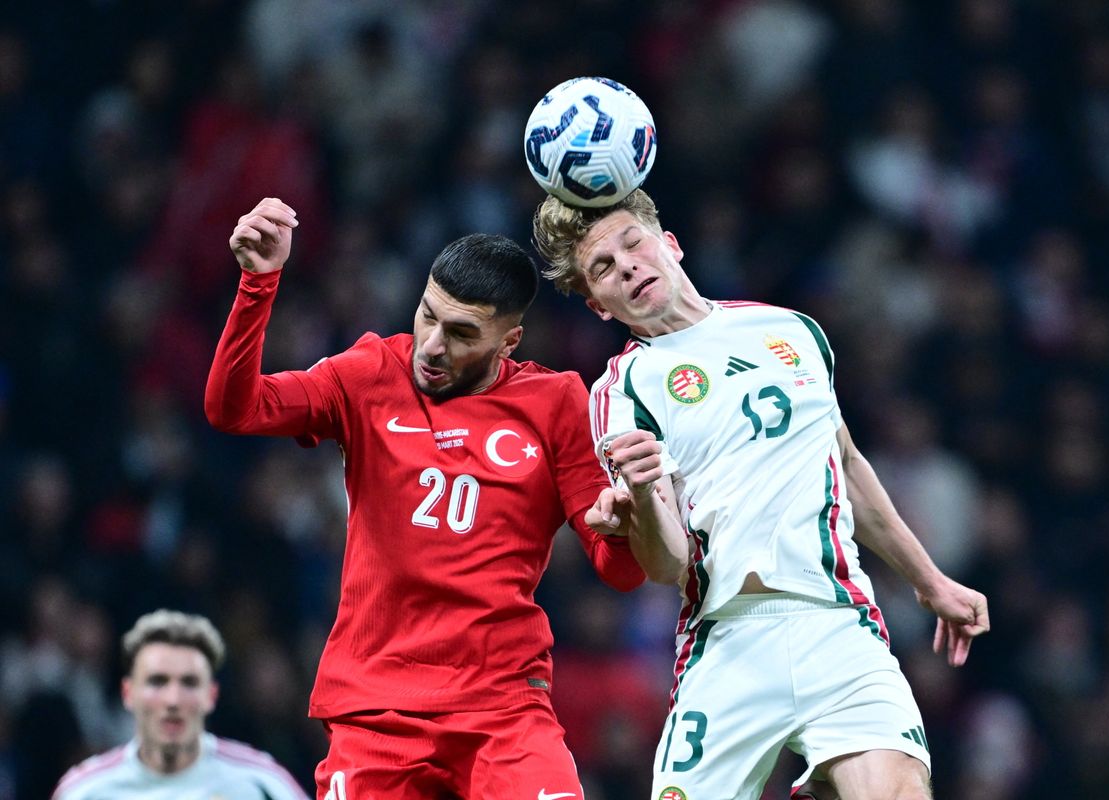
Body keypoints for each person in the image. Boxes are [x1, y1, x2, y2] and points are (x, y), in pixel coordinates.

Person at [532, 188, 991, 800]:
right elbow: (667, 565)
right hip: (728, 640)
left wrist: (929, 581)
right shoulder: (623, 391)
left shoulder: (792, 330)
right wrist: (642, 497)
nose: (628, 267)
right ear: (599, 306)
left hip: (839, 624)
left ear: (669, 243)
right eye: (604, 269)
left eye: (633, 243)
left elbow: (848, 464)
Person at [205, 198, 645, 798]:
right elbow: (235, 408)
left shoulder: (558, 401)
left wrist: (622, 522)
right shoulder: (368, 373)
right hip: (377, 710)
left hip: (503, 708)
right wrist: (258, 284)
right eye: (427, 316)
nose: (433, 346)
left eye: (463, 333)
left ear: (509, 340)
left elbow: (618, 569)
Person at [51, 609, 309, 800]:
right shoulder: (84, 791)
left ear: (211, 695)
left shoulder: (262, 783)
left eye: (189, 683)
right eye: (157, 682)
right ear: (128, 693)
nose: (173, 700)